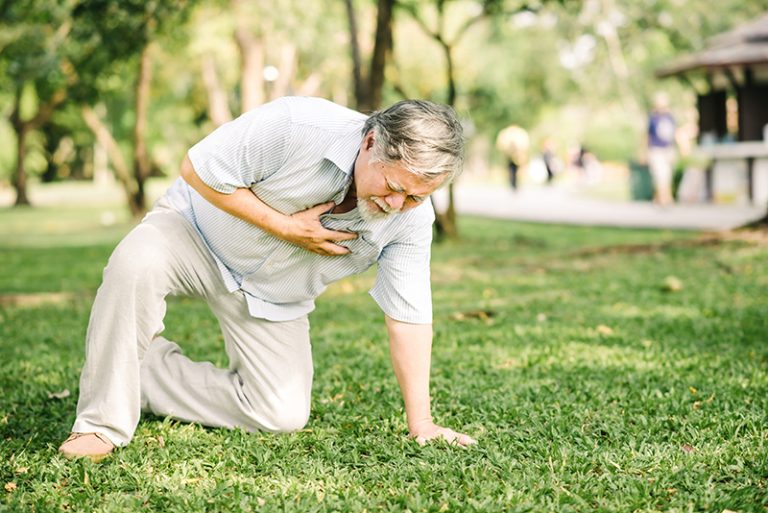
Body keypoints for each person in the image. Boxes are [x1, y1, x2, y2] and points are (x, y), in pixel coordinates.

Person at [58, 96, 477, 461]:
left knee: (281, 413)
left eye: (415, 197)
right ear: (370, 143)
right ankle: (99, 424)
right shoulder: (297, 123)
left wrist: (421, 422)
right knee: (136, 260)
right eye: (391, 186)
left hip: (274, 295)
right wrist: (286, 227)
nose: (396, 203)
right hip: (196, 233)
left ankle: (142, 373)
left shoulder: (412, 222)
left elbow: (409, 315)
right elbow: (197, 168)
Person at [647, 92, 677, 206]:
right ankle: (665, 199)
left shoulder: (670, 117)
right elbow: (647, 135)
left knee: (668, 175)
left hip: (668, 149)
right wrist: (644, 151)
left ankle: (660, 198)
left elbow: (675, 133)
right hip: (656, 149)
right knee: (661, 174)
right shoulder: (652, 118)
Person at [495, 125, 529, 191]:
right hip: (509, 156)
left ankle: (515, 183)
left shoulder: (518, 134)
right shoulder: (507, 134)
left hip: (517, 156)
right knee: (511, 170)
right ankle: (512, 183)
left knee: (516, 170)